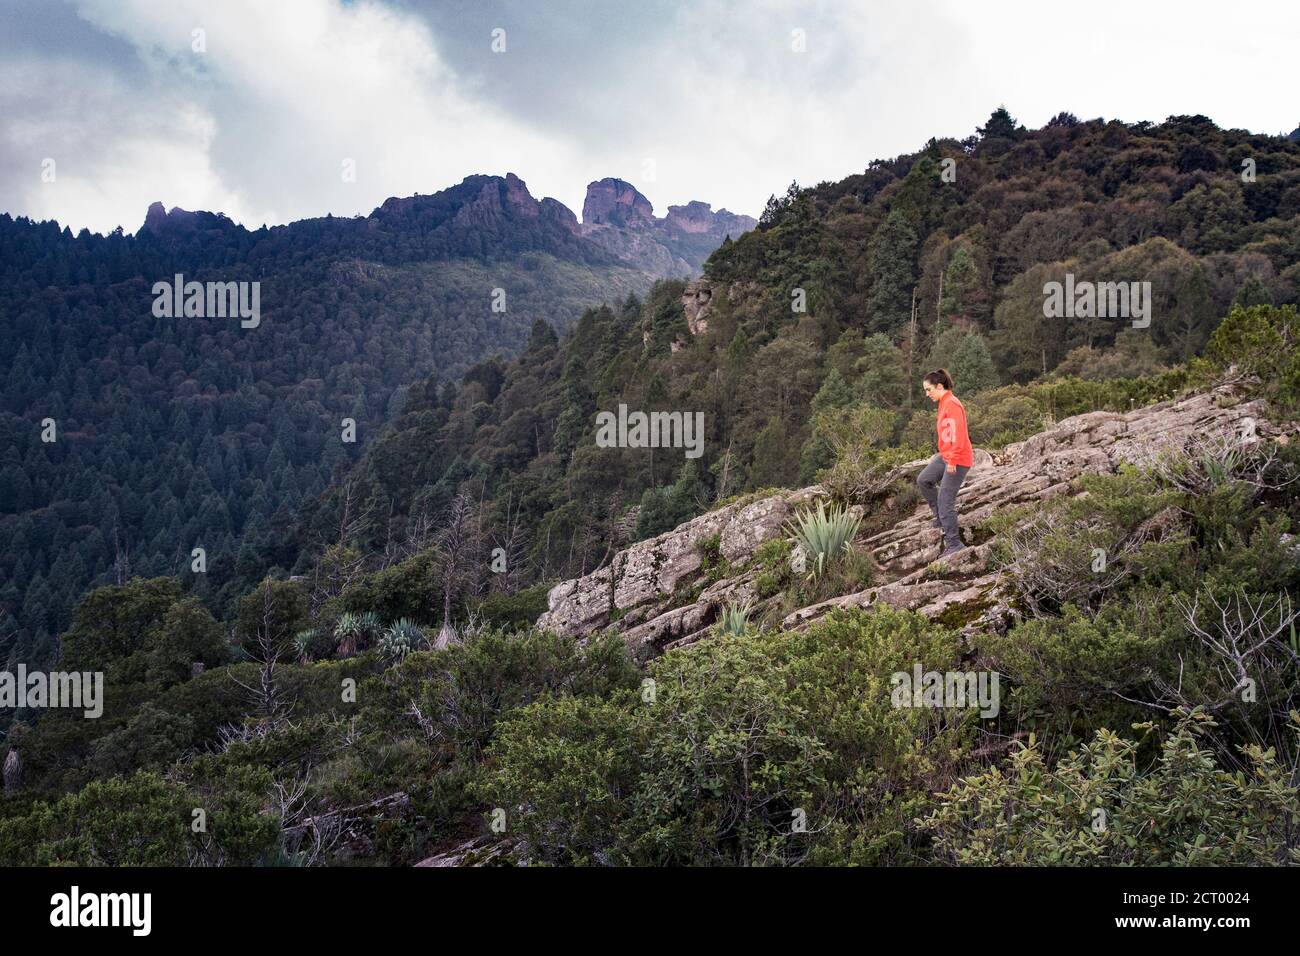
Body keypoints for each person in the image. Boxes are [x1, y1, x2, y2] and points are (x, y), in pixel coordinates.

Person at [917, 368, 973, 558]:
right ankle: (941, 518)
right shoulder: (943, 403)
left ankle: (954, 544)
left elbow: (959, 435)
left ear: (939, 386)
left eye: (928, 389)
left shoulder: (952, 404)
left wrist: (953, 460)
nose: (927, 394)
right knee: (924, 480)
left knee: (945, 500)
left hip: (958, 459)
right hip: (946, 455)